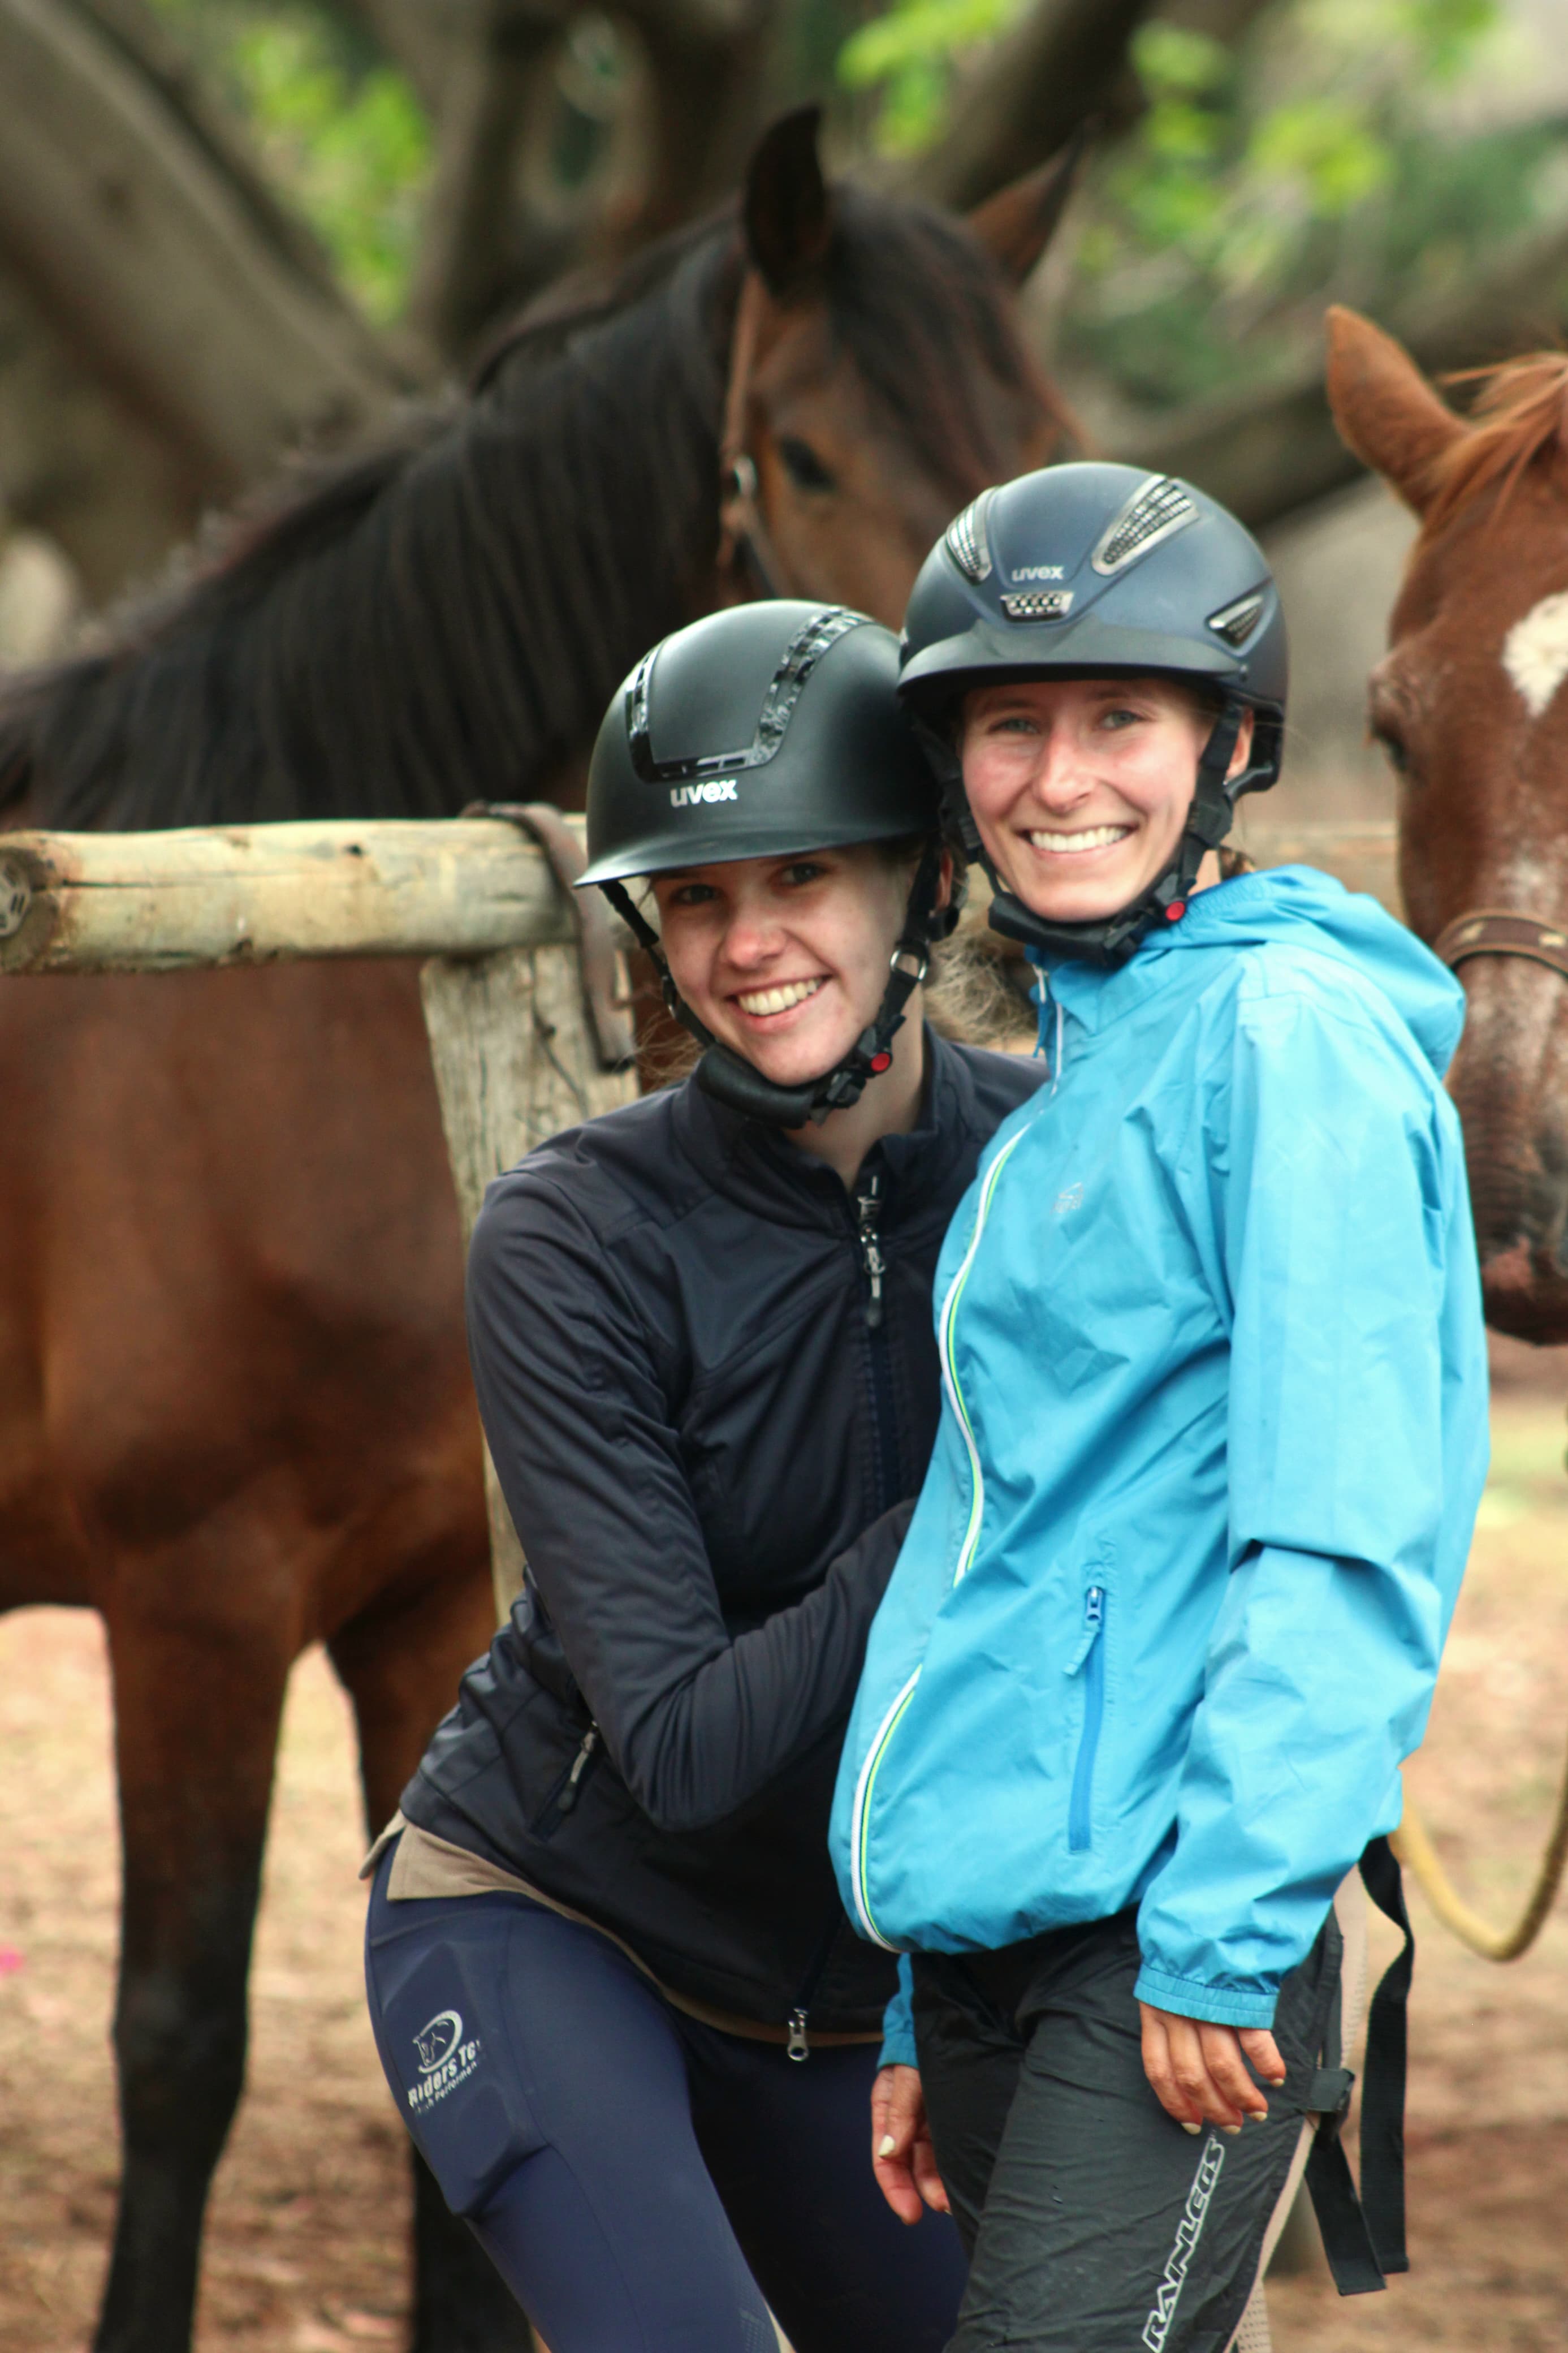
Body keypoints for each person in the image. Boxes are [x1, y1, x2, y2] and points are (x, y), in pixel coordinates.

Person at [830, 463, 1490, 2353]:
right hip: (1000, 1941)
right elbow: (1007, 1547)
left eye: (1119, 716)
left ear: (1232, 746)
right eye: (1008, 725)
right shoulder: (1082, 1067)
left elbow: (1344, 1538)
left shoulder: (1285, 1044)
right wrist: (927, 1967)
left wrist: (1225, 1930)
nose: (1059, 780)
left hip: (1170, 1938)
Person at [360, 600, 1043, 2353]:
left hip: (866, 2005)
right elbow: (677, 1750)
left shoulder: (1061, 1166)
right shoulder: (572, 1238)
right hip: (557, 1922)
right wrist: (978, 1502)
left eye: (801, 874)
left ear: (925, 879)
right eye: (693, 898)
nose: (746, 945)